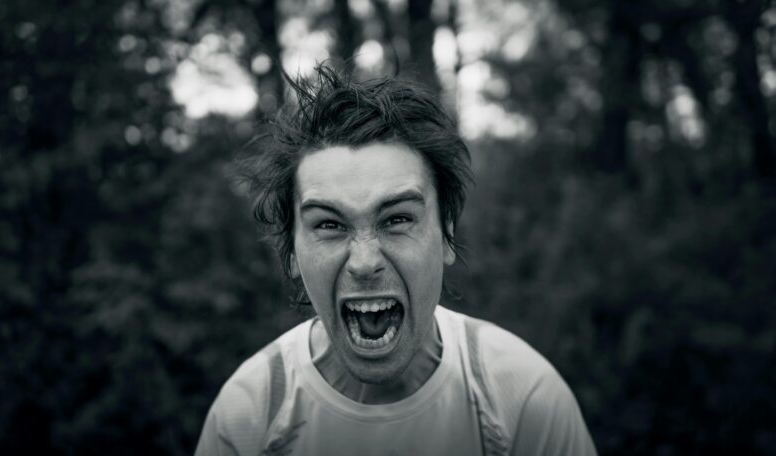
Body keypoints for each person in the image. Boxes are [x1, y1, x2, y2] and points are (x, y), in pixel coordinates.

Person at [195, 64, 597, 456]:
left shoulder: (524, 399)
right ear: (292, 253)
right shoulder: (250, 415)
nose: (364, 262)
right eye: (330, 225)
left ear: (447, 235)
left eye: (398, 219)